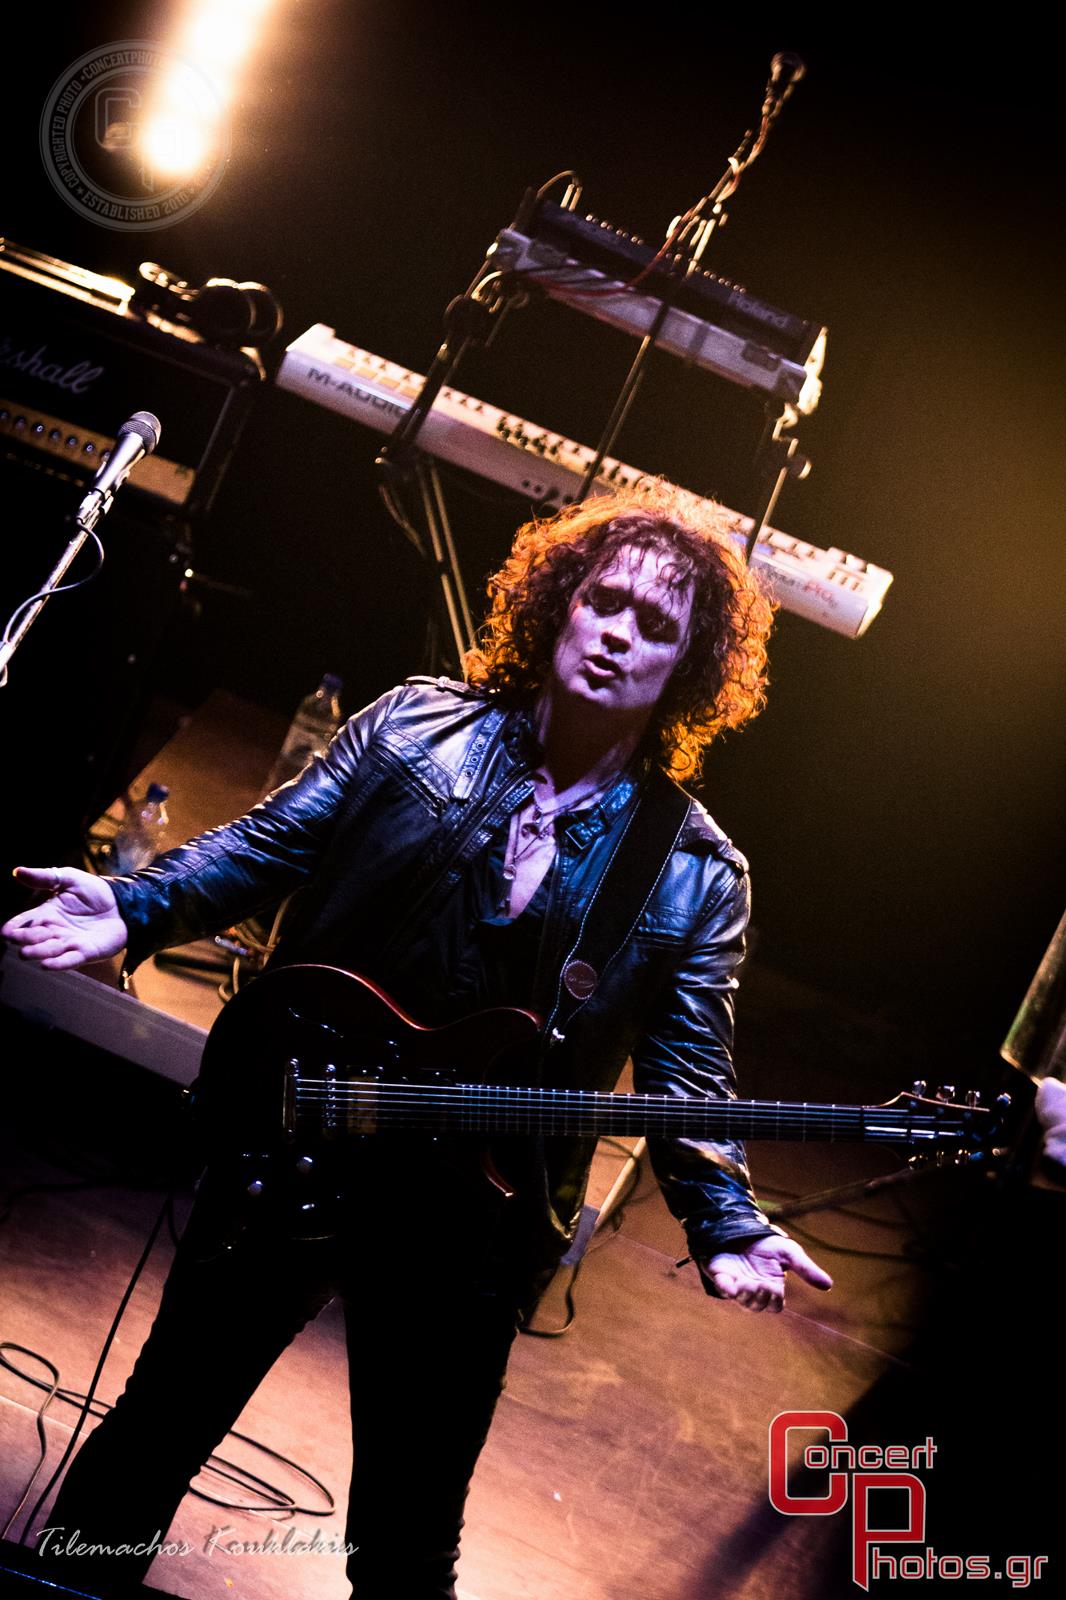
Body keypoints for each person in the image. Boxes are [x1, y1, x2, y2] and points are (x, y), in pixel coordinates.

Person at [2, 484, 832, 1598]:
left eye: (655, 625)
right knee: (150, 1438)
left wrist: (724, 1219)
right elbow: (267, 844)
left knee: (404, 1542)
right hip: (303, 1144)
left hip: (471, 1221)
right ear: (562, 604)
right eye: (604, 601)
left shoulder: (691, 872)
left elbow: (689, 1073)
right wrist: (134, 905)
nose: (617, 635)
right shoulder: (412, 729)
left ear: (685, 669)